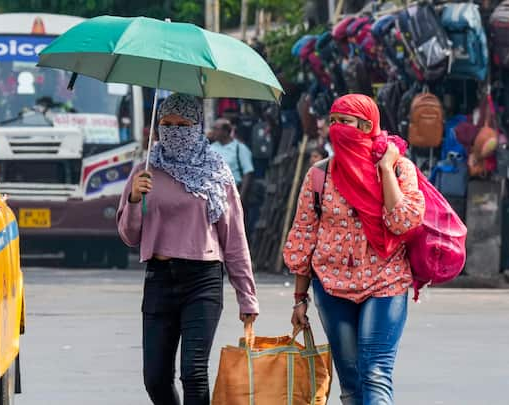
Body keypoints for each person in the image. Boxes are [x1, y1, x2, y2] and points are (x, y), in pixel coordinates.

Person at [116, 94, 259, 405]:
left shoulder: (216, 173)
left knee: (193, 373)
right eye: (166, 125)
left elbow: (234, 239)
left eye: (183, 125)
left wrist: (246, 297)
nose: (174, 131)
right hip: (159, 278)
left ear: (198, 127)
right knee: (155, 378)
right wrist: (134, 201)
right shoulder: (145, 170)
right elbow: (129, 236)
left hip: (202, 279)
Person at [283, 94, 425, 404]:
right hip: (331, 286)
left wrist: (386, 169)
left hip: (385, 282)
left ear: (366, 125)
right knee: (350, 382)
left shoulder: (401, 169)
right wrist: (299, 298)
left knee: (375, 373)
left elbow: (403, 222)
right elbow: (305, 235)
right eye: (332, 122)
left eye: (344, 122)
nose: (337, 129)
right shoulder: (319, 174)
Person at [209, 118, 255, 201]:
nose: (213, 132)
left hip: (233, 192)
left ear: (226, 132)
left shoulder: (240, 148)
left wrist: (240, 198)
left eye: (216, 129)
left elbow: (248, 173)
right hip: (214, 194)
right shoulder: (210, 148)